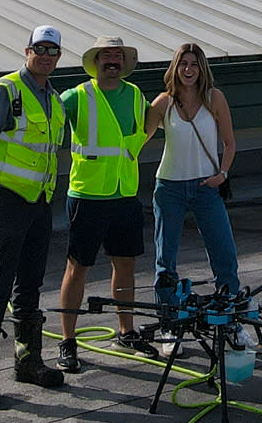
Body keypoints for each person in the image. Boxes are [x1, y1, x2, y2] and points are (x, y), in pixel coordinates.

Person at [0, 25, 69, 408]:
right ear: (27, 51)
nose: (46, 56)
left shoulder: (53, 100)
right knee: (0, 280)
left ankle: (28, 361)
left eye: (52, 51)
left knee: (31, 280)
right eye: (39, 49)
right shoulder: (6, 91)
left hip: (39, 201)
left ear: (59, 57)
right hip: (5, 197)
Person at [54, 35, 151, 372]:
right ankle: (67, 341)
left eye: (117, 55)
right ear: (95, 61)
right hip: (88, 196)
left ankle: (126, 331)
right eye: (106, 55)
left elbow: (145, 133)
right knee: (77, 268)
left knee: (125, 266)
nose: (112, 60)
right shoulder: (75, 97)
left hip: (125, 195)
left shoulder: (137, 96)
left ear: (124, 62)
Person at [147, 42, 240, 308]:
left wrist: (222, 173)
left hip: (206, 186)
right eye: (183, 64)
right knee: (166, 257)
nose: (188, 69)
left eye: (194, 64)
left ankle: (230, 309)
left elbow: (229, 142)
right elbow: (139, 139)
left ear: (202, 68)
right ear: (175, 68)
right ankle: (168, 316)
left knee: (224, 251)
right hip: (170, 188)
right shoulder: (164, 102)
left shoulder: (214, 98)